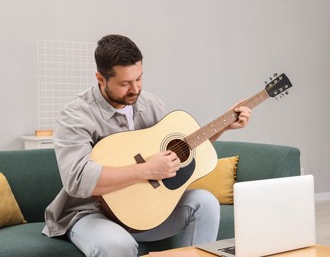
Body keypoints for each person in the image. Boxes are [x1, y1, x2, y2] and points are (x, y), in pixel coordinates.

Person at [43, 34, 251, 256]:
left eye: (139, 79)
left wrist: (223, 126)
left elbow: (181, 151)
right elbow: (78, 180)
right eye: (124, 83)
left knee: (205, 202)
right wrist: (147, 170)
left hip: (143, 211)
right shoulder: (75, 115)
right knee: (117, 244)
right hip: (89, 212)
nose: (135, 89)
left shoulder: (150, 104)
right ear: (101, 78)